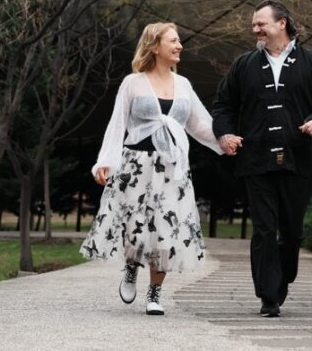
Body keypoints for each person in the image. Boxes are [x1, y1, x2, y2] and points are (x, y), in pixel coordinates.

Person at [80, 22, 226, 316]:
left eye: (179, 41)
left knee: (166, 230)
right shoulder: (132, 83)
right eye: (173, 41)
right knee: (134, 228)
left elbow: (199, 124)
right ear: (155, 46)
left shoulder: (183, 84)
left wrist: (225, 141)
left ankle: (155, 292)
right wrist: (105, 161)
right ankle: (131, 267)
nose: (179, 45)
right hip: (136, 166)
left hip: (171, 168)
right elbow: (117, 124)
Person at [212, 0, 312, 318]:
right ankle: (268, 296)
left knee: (292, 231)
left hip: (297, 159)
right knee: (263, 228)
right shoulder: (243, 65)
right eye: (254, 24)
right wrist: (225, 134)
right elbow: (224, 106)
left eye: (261, 24)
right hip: (255, 159)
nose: (255, 29)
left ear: (281, 23)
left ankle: (281, 280)